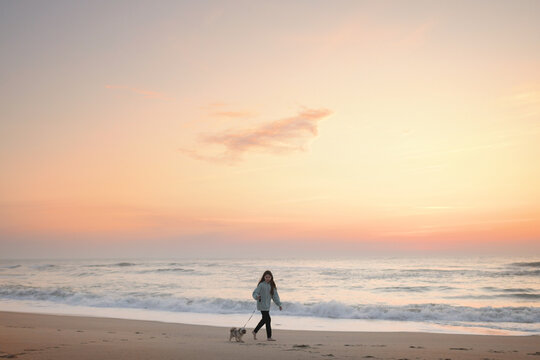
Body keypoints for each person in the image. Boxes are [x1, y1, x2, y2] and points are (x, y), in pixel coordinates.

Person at [252, 270, 282, 341]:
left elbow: (275, 296)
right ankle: (269, 337)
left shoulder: (272, 286)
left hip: (267, 305)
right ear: (264, 277)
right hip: (261, 304)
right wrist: (257, 296)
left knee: (264, 320)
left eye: (269, 277)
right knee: (268, 319)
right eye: (266, 277)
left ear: (271, 277)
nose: (267, 278)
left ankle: (255, 331)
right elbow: (255, 293)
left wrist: (279, 304)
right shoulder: (261, 285)